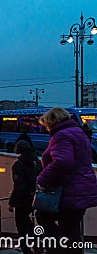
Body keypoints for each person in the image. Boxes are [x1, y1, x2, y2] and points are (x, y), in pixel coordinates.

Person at [36, 107, 97, 254]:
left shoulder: (61, 135)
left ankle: (56, 248)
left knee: (43, 216)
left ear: (52, 122)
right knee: (71, 229)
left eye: (46, 125)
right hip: (82, 188)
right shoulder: (79, 133)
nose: (46, 129)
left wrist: (42, 179)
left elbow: (63, 162)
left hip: (69, 190)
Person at [8, 140, 42, 254]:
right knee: (27, 223)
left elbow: (19, 186)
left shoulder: (19, 165)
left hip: (22, 201)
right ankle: (38, 244)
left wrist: (12, 202)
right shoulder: (36, 161)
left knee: (22, 226)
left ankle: (27, 249)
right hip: (35, 197)